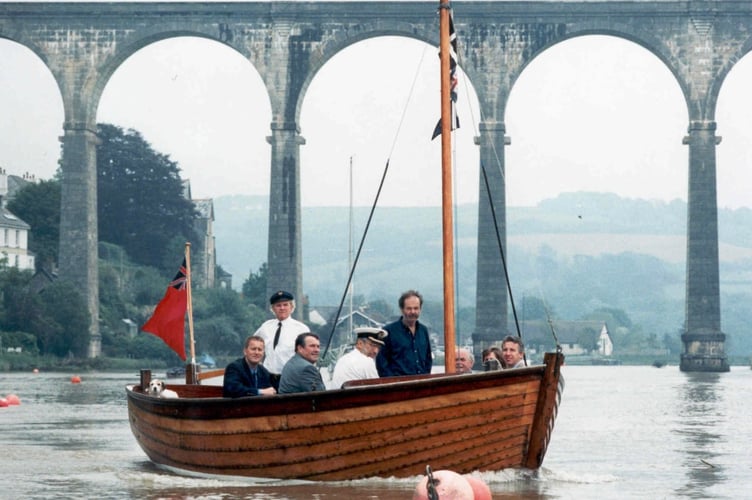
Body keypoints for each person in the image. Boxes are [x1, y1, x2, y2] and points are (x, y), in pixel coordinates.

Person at [254, 290, 309, 386]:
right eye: (278, 305)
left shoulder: (301, 329)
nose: (282, 308)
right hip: (267, 379)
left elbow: (308, 355)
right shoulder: (266, 327)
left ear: (292, 307)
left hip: (291, 379)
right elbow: (252, 344)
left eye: (285, 305)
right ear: (273, 308)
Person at [376, 290, 433, 377]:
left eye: (416, 308)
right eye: (409, 308)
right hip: (398, 387)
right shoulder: (388, 332)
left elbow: (428, 359)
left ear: (420, 309)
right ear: (402, 309)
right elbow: (382, 363)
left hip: (422, 385)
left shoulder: (423, 331)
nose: (413, 312)